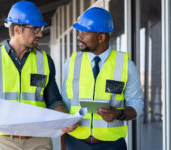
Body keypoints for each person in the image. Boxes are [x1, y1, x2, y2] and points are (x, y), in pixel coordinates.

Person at [0, 1, 76, 150]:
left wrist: (65, 119)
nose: (40, 33)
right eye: (35, 29)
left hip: (40, 141)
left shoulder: (45, 61)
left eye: (41, 28)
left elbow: (53, 100)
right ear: (17, 29)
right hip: (5, 142)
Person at [61, 7, 144, 150]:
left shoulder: (125, 65)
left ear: (101, 37)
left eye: (84, 33)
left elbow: (137, 104)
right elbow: (64, 103)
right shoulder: (72, 62)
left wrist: (119, 113)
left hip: (112, 145)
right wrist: (63, 143)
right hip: (75, 143)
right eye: (78, 32)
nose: (79, 37)